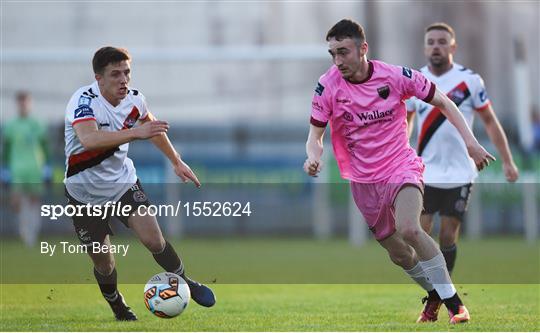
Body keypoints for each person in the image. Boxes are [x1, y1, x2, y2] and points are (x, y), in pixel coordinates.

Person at [304, 19, 495, 324]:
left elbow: (443, 102)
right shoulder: (327, 86)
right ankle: (435, 296)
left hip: (400, 166)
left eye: (343, 52)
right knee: (400, 254)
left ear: (363, 48)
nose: (338, 61)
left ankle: (455, 305)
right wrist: (312, 157)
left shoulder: (395, 76)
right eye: (333, 54)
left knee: (410, 228)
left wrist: (471, 143)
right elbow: (315, 136)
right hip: (364, 181)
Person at [63, 46, 215, 321]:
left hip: (123, 184)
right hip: (84, 194)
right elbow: (89, 139)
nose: (123, 80)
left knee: (154, 239)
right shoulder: (83, 101)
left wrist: (176, 161)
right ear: (99, 78)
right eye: (115, 74)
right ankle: (117, 304)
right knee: (105, 263)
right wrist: (135, 133)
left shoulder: (135, 100)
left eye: (127, 73)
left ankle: (186, 284)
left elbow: (152, 127)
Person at [406, 22, 519, 320]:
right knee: (418, 234)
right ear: (424, 46)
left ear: (453, 47)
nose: (436, 47)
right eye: (431, 42)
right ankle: (441, 295)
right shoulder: (416, 81)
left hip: (460, 172)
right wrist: (401, 156)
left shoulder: (469, 81)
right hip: (426, 172)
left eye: (442, 41)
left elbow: (491, 122)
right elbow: (405, 123)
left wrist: (507, 160)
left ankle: (436, 301)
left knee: (447, 235)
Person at [2, 91, 50, 247]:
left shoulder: (38, 124)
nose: (23, 105)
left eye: (26, 102)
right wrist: (5, 170)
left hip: (35, 168)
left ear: (30, 103)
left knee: (34, 201)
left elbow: (45, 147)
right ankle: (24, 232)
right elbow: (7, 149)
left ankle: (32, 234)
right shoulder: (10, 125)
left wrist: (47, 168)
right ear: (17, 104)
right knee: (17, 201)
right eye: (21, 102)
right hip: (17, 169)